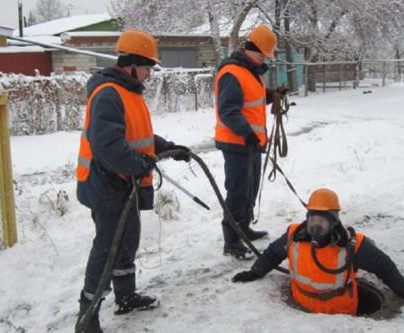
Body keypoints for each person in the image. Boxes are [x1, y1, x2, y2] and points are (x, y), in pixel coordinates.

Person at [75, 29, 191, 332]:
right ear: (133, 64)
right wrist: (139, 163)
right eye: (148, 67)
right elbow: (106, 144)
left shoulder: (129, 92)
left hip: (125, 181)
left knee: (128, 240)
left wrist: (167, 147)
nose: (150, 75)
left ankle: (125, 297)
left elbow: (135, 137)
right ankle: (87, 315)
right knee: (107, 248)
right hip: (106, 184)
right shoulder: (109, 94)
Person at [232, 188, 404, 315]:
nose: (316, 226)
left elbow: (384, 267)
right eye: (312, 219)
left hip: (339, 314)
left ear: (334, 222)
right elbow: (272, 254)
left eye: (322, 221)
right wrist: (255, 272)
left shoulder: (352, 245)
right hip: (301, 306)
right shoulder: (294, 235)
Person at [215, 25, 286, 260]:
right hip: (237, 144)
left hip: (251, 143)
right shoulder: (232, 73)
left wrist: (272, 94)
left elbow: (252, 98)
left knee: (250, 188)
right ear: (252, 50)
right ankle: (232, 241)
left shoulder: (249, 72)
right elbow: (228, 110)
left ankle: (243, 228)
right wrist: (246, 133)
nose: (264, 60)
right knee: (237, 191)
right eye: (263, 55)